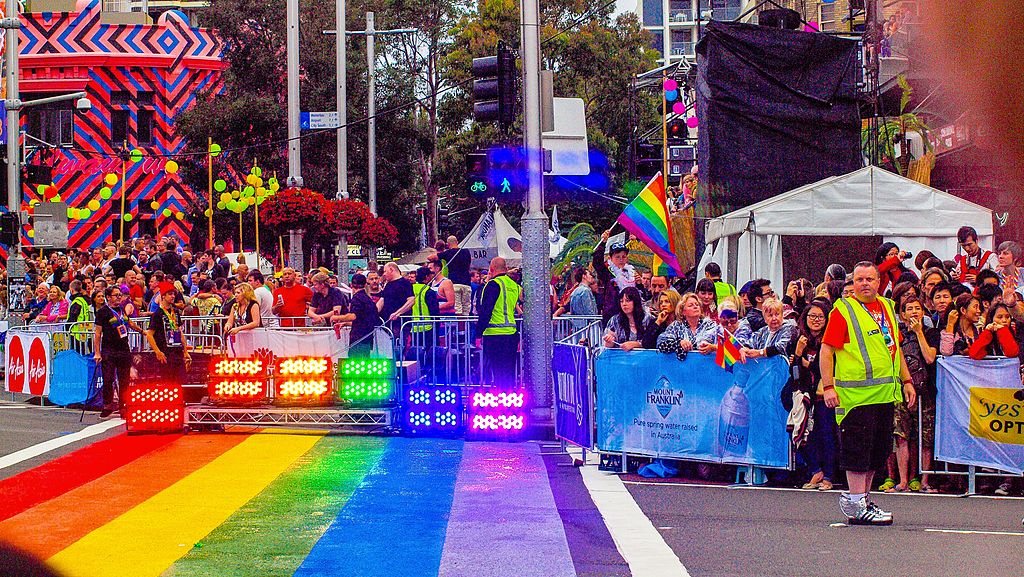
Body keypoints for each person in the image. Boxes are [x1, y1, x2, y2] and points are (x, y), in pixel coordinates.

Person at [820, 261, 916, 526]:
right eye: (859, 279)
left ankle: (863, 499)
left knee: (877, 451)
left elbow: (894, 348)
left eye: (870, 279)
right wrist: (828, 386)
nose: (865, 284)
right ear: (853, 283)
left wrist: (906, 380)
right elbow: (827, 350)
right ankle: (855, 501)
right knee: (857, 452)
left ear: (878, 282)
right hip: (856, 397)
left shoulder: (886, 306)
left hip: (885, 394)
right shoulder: (844, 311)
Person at [789, 298, 836, 491]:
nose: (816, 320)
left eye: (820, 316)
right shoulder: (799, 339)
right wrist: (799, 355)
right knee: (802, 434)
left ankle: (829, 476)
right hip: (804, 395)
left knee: (827, 435)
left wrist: (807, 364)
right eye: (812, 316)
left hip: (824, 395)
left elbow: (826, 367)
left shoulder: (829, 340)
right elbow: (794, 372)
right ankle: (815, 470)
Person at [93, 286, 145, 418]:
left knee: (124, 380)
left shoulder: (122, 310)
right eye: (116, 295)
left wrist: (143, 331)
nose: (118, 297)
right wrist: (97, 353)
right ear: (108, 297)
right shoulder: (102, 312)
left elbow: (130, 323)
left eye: (120, 295)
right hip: (109, 350)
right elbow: (98, 333)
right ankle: (107, 405)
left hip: (123, 349)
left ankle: (124, 406)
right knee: (108, 378)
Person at [476, 257, 521, 388]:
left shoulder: (492, 284)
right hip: (511, 333)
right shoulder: (514, 285)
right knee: (509, 370)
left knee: (497, 371)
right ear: (506, 269)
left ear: (491, 269)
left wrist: (478, 334)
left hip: (494, 334)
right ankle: (510, 399)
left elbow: (485, 311)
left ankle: (500, 401)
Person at [145, 283, 192, 382]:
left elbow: (179, 332)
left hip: (177, 352)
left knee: (181, 382)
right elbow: (149, 334)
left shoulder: (175, 312)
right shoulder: (157, 314)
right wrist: (158, 352)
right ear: (163, 296)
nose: (173, 296)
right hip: (166, 353)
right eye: (170, 294)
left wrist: (185, 351)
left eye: (174, 294)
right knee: (168, 383)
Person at [656, 292, 717, 358]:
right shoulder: (676, 326)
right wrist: (679, 343)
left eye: (697, 304)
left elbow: (703, 344)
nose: (695, 306)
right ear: (683, 311)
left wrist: (713, 347)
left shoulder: (710, 324)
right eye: (691, 305)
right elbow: (661, 344)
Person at [593, 230, 635, 321]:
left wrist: (639, 284)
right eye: (617, 257)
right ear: (610, 259)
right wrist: (603, 243)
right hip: (611, 318)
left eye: (623, 257)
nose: (621, 260)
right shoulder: (607, 274)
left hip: (629, 317)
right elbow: (597, 263)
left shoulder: (631, 273)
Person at [602, 287, 653, 351]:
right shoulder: (615, 320)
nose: (624, 304)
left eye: (628, 301)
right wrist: (609, 341)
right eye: (621, 301)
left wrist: (635, 344)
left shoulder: (648, 319)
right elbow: (608, 346)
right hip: (620, 358)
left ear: (635, 301)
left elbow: (652, 342)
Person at [345, 273, 381, 355]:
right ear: (365, 284)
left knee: (354, 363)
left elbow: (353, 316)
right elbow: (362, 319)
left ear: (351, 285)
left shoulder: (356, 298)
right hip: (368, 337)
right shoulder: (369, 300)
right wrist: (345, 323)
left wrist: (337, 318)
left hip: (358, 338)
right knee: (365, 362)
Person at [438, 236, 473, 315]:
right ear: (457, 242)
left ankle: (460, 327)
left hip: (454, 283)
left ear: (448, 244)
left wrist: (442, 253)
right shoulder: (466, 252)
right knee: (466, 308)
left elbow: (431, 257)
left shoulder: (448, 253)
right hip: (466, 283)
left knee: (457, 308)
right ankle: (465, 326)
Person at [378, 262, 415, 330]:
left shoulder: (405, 283)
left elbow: (411, 300)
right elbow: (382, 300)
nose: (384, 274)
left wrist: (398, 313)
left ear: (391, 269)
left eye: (385, 271)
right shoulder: (388, 285)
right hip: (388, 324)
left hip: (400, 324)